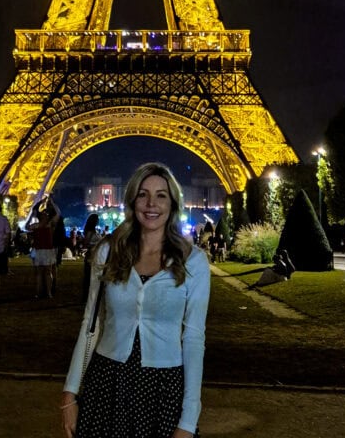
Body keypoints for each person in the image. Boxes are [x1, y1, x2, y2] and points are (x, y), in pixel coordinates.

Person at [61, 162, 211, 438]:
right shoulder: (107, 252)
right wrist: (70, 394)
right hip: (107, 384)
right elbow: (90, 324)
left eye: (161, 195)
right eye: (143, 194)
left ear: (173, 203)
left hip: (163, 390)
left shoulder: (194, 261)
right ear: (132, 200)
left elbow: (193, 340)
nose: (151, 203)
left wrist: (188, 420)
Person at [28, 197, 60, 300]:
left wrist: (39, 203)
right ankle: (48, 292)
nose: (45, 215)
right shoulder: (49, 225)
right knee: (47, 272)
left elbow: (28, 225)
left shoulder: (36, 226)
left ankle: (39, 292)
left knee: (39, 273)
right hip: (47, 250)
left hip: (39, 250)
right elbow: (57, 214)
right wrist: (52, 203)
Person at [80, 212, 102, 303]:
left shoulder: (94, 231)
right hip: (92, 254)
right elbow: (86, 243)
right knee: (90, 275)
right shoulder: (90, 232)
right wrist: (95, 245)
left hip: (96, 254)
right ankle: (87, 295)